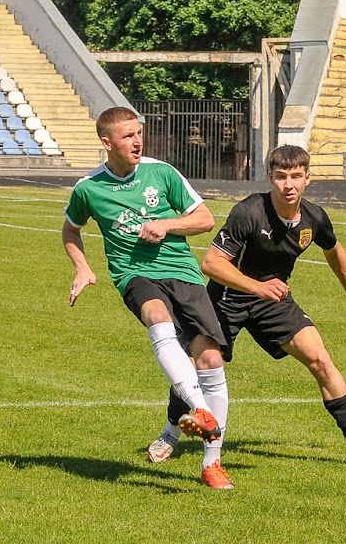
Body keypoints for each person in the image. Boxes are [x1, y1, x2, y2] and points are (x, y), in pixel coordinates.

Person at [146, 144, 346, 469]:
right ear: (270, 177)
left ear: (307, 179)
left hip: (272, 301)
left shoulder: (314, 217)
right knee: (197, 368)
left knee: (321, 361)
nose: (289, 185)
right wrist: (257, 286)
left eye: (296, 176)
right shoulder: (249, 212)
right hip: (226, 299)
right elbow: (212, 263)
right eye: (282, 176)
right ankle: (171, 433)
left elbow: (334, 250)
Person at [62, 106, 235, 490]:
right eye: (127, 136)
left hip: (182, 273)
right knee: (157, 317)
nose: (137, 141)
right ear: (107, 143)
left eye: (138, 133)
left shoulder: (162, 172)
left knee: (209, 358)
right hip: (134, 275)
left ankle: (212, 463)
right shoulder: (88, 189)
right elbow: (70, 231)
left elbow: (205, 219)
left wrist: (166, 224)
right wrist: (82, 268)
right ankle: (201, 409)